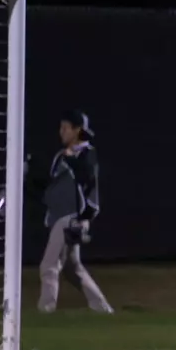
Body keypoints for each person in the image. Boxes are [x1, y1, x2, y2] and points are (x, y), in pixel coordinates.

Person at [37, 110, 113, 314]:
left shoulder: (87, 153)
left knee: (49, 265)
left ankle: (46, 310)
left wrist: (71, 159)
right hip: (58, 216)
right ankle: (103, 309)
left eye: (65, 128)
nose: (61, 132)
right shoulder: (60, 156)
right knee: (72, 269)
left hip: (73, 217)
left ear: (77, 130)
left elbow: (87, 177)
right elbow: (50, 185)